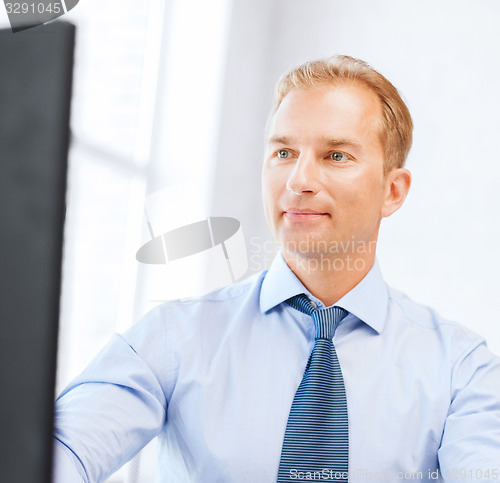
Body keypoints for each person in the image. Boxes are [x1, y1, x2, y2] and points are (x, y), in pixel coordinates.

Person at [53, 56, 500, 483]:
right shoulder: (174, 339)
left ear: (393, 190)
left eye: (336, 156)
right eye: (284, 153)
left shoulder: (461, 370)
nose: (298, 181)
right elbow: (59, 448)